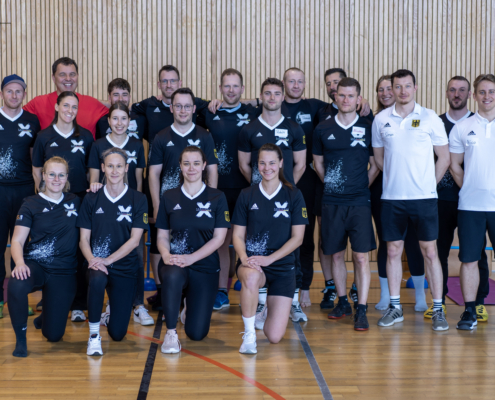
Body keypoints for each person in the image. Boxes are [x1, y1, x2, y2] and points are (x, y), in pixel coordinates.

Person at [372, 69, 450, 331]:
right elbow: (380, 159)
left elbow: (444, 158)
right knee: (393, 251)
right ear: (391, 89)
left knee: (430, 252)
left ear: (415, 88)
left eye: (407, 86)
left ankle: (437, 309)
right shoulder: (381, 119)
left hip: (424, 199)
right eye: (397, 86)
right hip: (392, 199)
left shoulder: (430, 118)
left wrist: (428, 185)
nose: (402, 91)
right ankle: (395, 307)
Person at [132, 66, 210, 309]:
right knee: (160, 243)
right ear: (171, 108)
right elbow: (153, 174)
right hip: (167, 204)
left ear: (194, 109)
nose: (183, 110)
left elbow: (212, 171)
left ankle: (190, 293)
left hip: (197, 203)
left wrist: (211, 201)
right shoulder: (161, 137)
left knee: (193, 242)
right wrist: (157, 205)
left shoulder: (204, 135)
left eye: (187, 106)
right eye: (178, 106)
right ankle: (162, 291)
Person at [237, 77, 307, 323]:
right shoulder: (249, 129)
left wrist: (286, 188)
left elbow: (300, 164)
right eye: (267, 93)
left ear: (283, 96)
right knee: (257, 244)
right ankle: (260, 302)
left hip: (285, 199)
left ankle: (293, 301)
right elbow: (244, 165)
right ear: (261, 96)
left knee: (291, 249)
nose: (272, 98)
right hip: (259, 198)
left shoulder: (294, 128)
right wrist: (262, 187)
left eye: (277, 93)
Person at [313, 77, 378, 330]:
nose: (346, 100)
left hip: (360, 202)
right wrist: (333, 185)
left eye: (351, 96)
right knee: (336, 254)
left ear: (358, 99)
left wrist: (361, 186)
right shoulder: (322, 128)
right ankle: (342, 302)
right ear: (335, 96)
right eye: (341, 95)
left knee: (361, 257)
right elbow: (318, 164)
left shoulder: (368, 126)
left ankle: (361, 308)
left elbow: (376, 164)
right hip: (332, 202)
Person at [233, 143, 307, 354]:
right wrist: (243, 257)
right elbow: (237, 235)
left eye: (272, 163)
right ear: (257, 165)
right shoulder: (247, 194)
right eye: (262, 163)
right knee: (251, 277)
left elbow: (298, 238)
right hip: (254, 263)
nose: (267, 168)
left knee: (274, 337)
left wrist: (270, 259)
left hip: (283, 267)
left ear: (281, 163)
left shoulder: (293, 195)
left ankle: (264, 310)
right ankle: (249, 335)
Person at [196, 68, 260, 311]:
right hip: (219, 188)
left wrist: (253, 100)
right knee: (221, 241)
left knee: (245, 240)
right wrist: (208, 103)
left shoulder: (253, 112)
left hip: (247, 187)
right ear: (220, 88)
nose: (231, 90)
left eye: (235, 86)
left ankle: (254, 290)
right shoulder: (209, 112)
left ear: (242, 89)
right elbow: (185, 103)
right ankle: (222, 291)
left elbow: (277, 101)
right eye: (226, 86)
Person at [157, 146, 230, 353]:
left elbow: (219, 238)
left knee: (197, 334)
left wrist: (191, 258)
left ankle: (189, 304)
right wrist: (166, 255)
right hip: (175, 262)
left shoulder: (217, 197)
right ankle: (171, 333)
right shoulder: (169, 196)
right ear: (180, 166)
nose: (191, 168)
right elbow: (162, 235)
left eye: (196, 163)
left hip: (205, 266)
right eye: (186, 163)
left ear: (204, 165)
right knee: (172, 275)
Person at [77, 147, 148, 356]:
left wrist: (107, 260)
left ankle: (109, 317)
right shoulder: (92, 198)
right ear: (103, 168)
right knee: (97, 278)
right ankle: (93, 336)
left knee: (118, 334)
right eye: (110, 166)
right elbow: (83, 239)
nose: (114, 171)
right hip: (96, 264)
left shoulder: (138, 199)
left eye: (119, 166)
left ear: (126, 168)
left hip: (124, 267)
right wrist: (93, 260)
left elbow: (135, 241)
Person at [8, 156, 80, 357]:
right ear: (43, 176)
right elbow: (17, 241)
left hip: (64, 270)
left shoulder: (76, 201)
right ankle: (20, 341)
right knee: (16, 284)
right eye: (52, 174)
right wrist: (19, 263)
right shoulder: (30, 203)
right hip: (36, 265)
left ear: (66, 177)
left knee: (54, 335)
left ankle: (46, 317)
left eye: (61, 175)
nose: (56, 179)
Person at [32, 91, 94, 322]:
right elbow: (37, 169)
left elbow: (91, 169)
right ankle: (50, 301)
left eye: (74, 107)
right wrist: (42, 196)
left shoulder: (85, 136)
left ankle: (78, 304)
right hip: (51, 201)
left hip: (78, 202)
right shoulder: (44, 136)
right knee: (52, 250)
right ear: (57, 107)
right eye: (66, 105)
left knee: (78, 251)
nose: (70, 111)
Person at [88, 101, 152, 326]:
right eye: (114, 118)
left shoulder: (137, 144)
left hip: (129, 208)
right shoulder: (98, 145)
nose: (119, 123)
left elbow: (139, 181)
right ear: (108, 121)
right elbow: (94, 179)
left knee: (136, 256)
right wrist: (95, 187)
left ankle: (138, 305)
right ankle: (109, 304)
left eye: (123, 118)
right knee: (105, 251)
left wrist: (138, 206)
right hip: (106, 207)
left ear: (129, 121)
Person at [370, 75, 427, 311]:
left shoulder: (418, 117)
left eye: (388, 88)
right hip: (383, 189)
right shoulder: (375, 119)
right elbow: (376, 157)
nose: (385, 93)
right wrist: (393, 172)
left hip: (412, 190)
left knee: (414, 241)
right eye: (381, 89)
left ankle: (421, 296)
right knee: (387, 243)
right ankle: (386, 295)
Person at [449, 74, 495, 330]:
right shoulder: (462, 127)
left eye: (492, 91)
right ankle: (469, 311)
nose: (487, 96)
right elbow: (454, 165)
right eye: (482, 92)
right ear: (474, 96)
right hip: (470, 207)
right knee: (469, 259)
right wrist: (470, 187)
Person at [0, 74, 41, 317]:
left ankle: (19, 298)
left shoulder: (32, 121)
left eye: (19, 91)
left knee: (21, 248)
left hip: (24, 192)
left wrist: (39, 191)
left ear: (24, 94)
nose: (14, 95)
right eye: (9, 91)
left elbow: (36, 160)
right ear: (2, 93)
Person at [23, 57, 108, 136]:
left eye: (72, 74)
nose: (68, 78)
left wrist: (105, 102)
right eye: (62, 74)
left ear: (77, 76)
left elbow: (114, 110)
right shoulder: (39, 102)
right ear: (53, 78)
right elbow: (17, 115)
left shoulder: (92, 103)